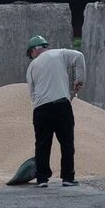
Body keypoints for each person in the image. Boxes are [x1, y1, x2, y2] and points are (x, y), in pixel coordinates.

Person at [24, 36, 84, 188]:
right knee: (67, 142)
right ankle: (68, 178)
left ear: (33, 51)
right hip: (62, 105)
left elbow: (32, 92)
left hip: (41, 109)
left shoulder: (32, 66)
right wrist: (79, 79)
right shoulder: (60, 53)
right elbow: (79, 56)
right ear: (45, 46)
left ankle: (42, 179)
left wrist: (38, 108)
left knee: (43, 144)